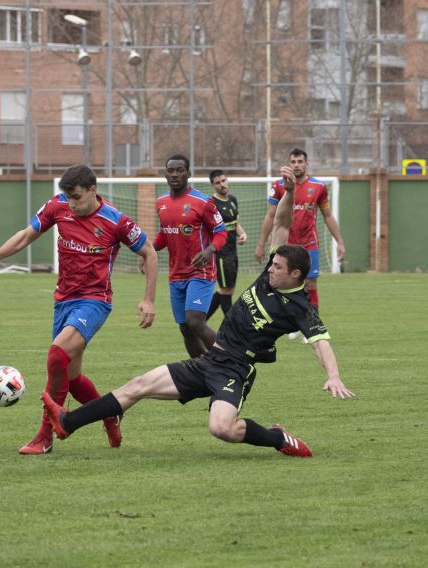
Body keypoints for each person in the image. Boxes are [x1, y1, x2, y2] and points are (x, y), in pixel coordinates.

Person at [41, 164, 355, 458]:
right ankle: (68, 423)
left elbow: (320, 343)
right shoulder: (269, 277)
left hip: (236, 371)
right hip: (211, 359)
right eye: (272, 264)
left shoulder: (300, 307)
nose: (270, 269)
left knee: (221, 428)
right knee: (138, 386)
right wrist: (288, 192)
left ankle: (276, 437)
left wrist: (334, 376)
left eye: (278, 267)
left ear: (296, 275)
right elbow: (283, 223)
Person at [0, 164, 158, 455]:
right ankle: (110, 413)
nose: (72, 203)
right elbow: (25, 235)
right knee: (70, 379)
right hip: (63, 301)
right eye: (68, 197)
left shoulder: (116, 221)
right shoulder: (57, 207)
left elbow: (149, 251)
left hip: (95, 301)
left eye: (77, 196)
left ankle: (45, 436)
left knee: (56, 355)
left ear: (93, 190)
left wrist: (148, 299)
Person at [254, 148, 345, 340]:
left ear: (306, 163)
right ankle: (294, 323)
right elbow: (270, 216)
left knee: (310, 284)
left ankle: (312, 323)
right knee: (284, 285)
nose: (296, 165)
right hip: (285, 246)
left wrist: (339, 241)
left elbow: (327, 216)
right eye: (293, 162)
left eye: (300, 161)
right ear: (289, 164)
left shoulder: (318, 187)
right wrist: (261, 244)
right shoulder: (279, 186)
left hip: (309, 244)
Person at [145, 154, 227, 358]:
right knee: (185, 328)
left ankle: (230, 361)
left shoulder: (202, 202)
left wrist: (209, 251)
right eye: (170, 171)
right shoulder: (161, 202)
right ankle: (201, 372)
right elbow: (166, 232)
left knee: (195, 321)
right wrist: (149, 251)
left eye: (179, 170)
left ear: (188, 174)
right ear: (165, 174)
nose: (174, 174)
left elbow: (221, 232)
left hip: (201, 271)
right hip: (176, 275)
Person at [206, 170, 247, 320]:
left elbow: (235, 224)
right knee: (226, 290)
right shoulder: (211, 205)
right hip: (221, 254)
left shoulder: (233, 200)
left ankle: (198, 324)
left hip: (233, 251)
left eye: (223, 181)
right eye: (218, 183)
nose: (222, 185)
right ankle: (232, 328)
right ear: (213, 185)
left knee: (227, 290)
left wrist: (242, 234)